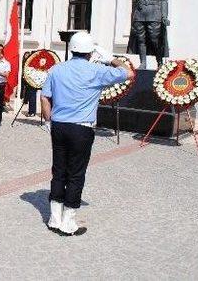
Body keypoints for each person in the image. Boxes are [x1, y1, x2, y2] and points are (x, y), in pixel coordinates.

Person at [41, 31, 133, 236]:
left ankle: (54, 218)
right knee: (76, 174)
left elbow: (45, 98)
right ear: (91, 52)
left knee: (59, 171)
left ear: (72, 49)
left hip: (58, 126)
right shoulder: (96, 70)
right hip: (81, 128)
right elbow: (129, 73)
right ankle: (68, 222)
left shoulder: (56, 70)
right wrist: (111, 59)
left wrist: (48, 122)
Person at [113, 0, 170, 69]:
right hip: (140, 15)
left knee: (155, 40)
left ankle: (159, 61)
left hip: (155, 15)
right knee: (141, 39)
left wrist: (164, 16)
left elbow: (164, 1)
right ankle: (143, 63)